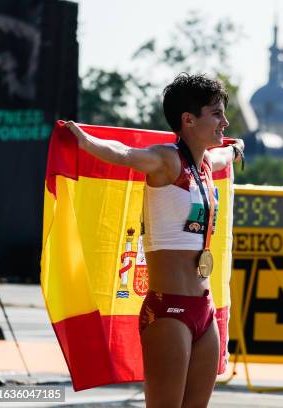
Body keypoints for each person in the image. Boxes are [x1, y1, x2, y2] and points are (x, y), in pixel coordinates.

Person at [64, 73, 244, 408]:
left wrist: (237, 151)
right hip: (169, 311)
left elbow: (227, 154)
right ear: (188, 120)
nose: (225, 121)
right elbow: (124, 154)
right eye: (216, 113)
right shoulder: (165, 160)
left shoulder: (205, 163)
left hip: (205, 311)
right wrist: (86, 140)